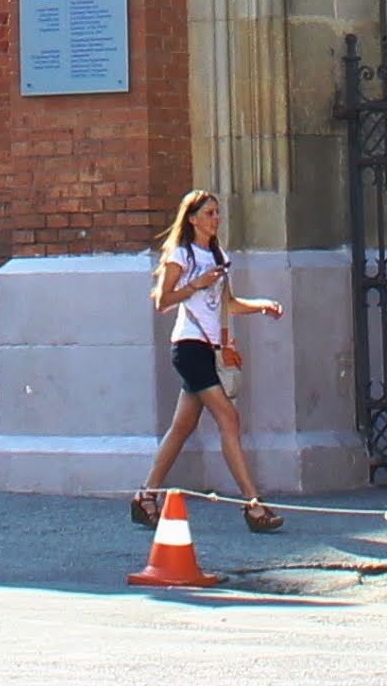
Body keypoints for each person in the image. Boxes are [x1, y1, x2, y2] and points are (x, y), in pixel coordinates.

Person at [141, 187, 283, 535]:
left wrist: (262, 305)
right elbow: (163, 301)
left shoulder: (219, 255)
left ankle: (145, 495)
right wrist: (196, 284)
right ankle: (253, 505)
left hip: (209, 347)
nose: (216, 218)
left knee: (182, 427)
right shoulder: (182, 255)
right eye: (208, 213)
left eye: (217, 212)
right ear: (192, 219)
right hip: (189, 346)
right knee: (229, 418)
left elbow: (227, 304)